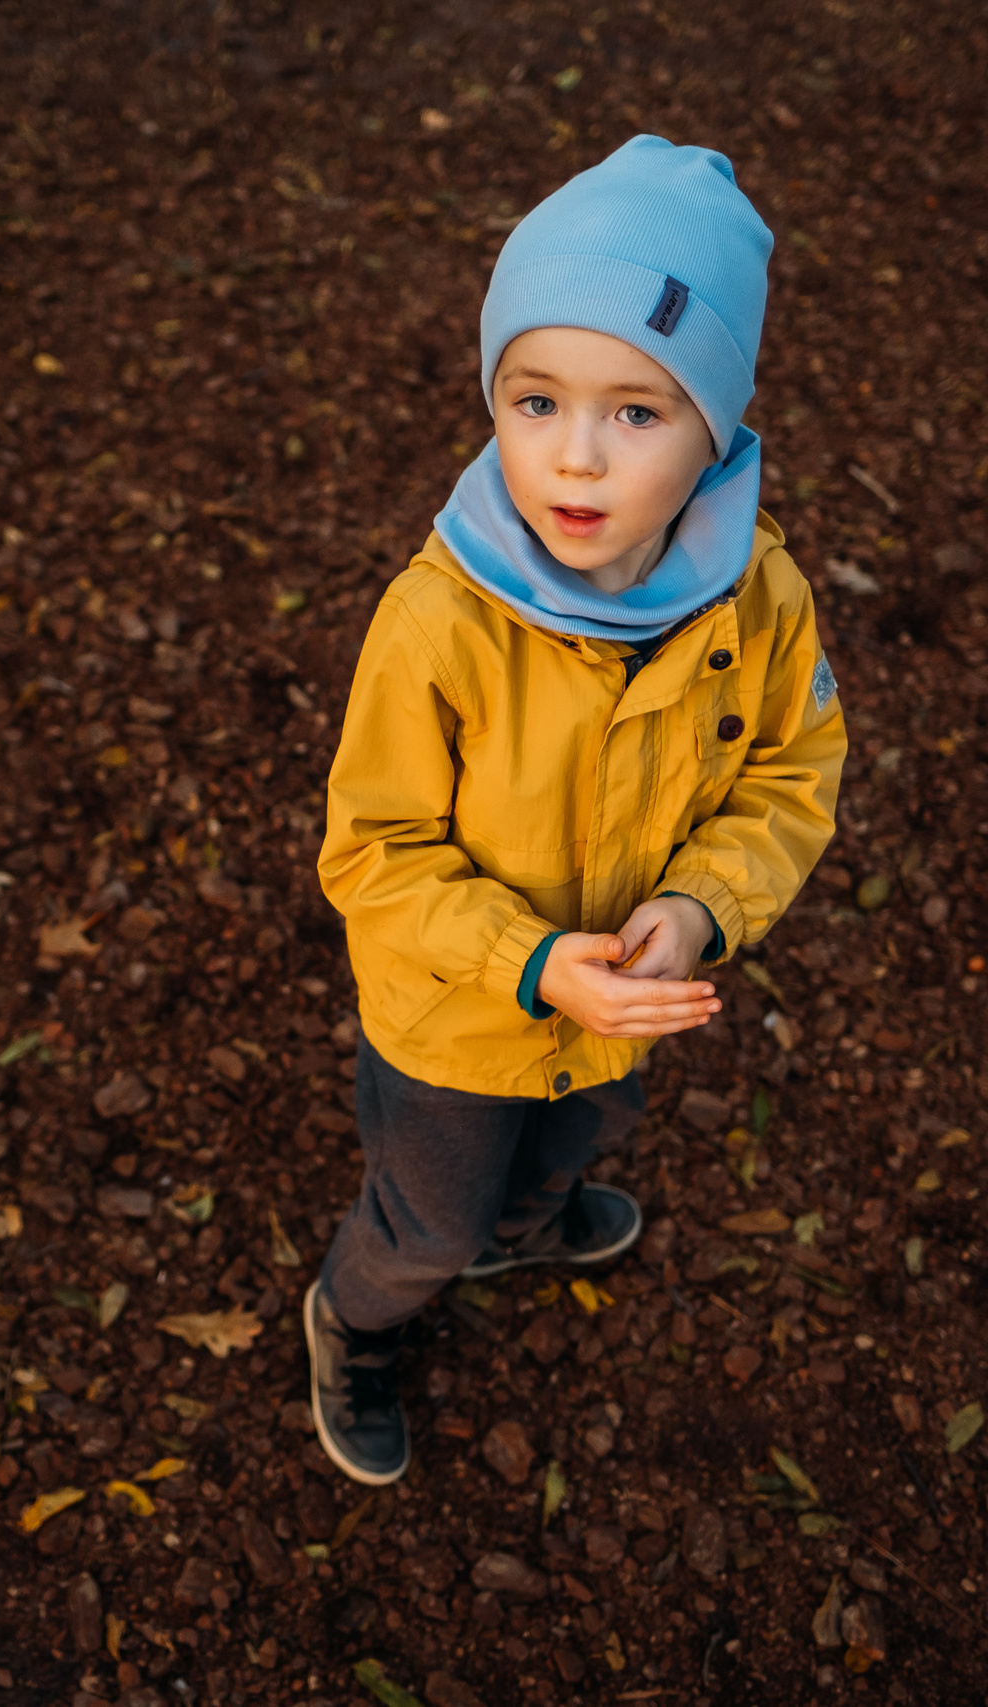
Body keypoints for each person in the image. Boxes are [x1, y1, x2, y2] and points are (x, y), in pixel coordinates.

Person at [303, 135, 846, 1485]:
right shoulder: (439, 620)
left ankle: (532, 1221)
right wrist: (534, 963)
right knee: (429, 1217)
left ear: (715, 425)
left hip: (624, 1007)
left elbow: (790, 776)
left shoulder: (757, 601)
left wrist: (697, 909)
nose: (578, 460)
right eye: (535, 401)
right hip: (456, 1022)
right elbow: (372, 852)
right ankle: (359, 1319)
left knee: (577, 1138)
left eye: (638, 412)